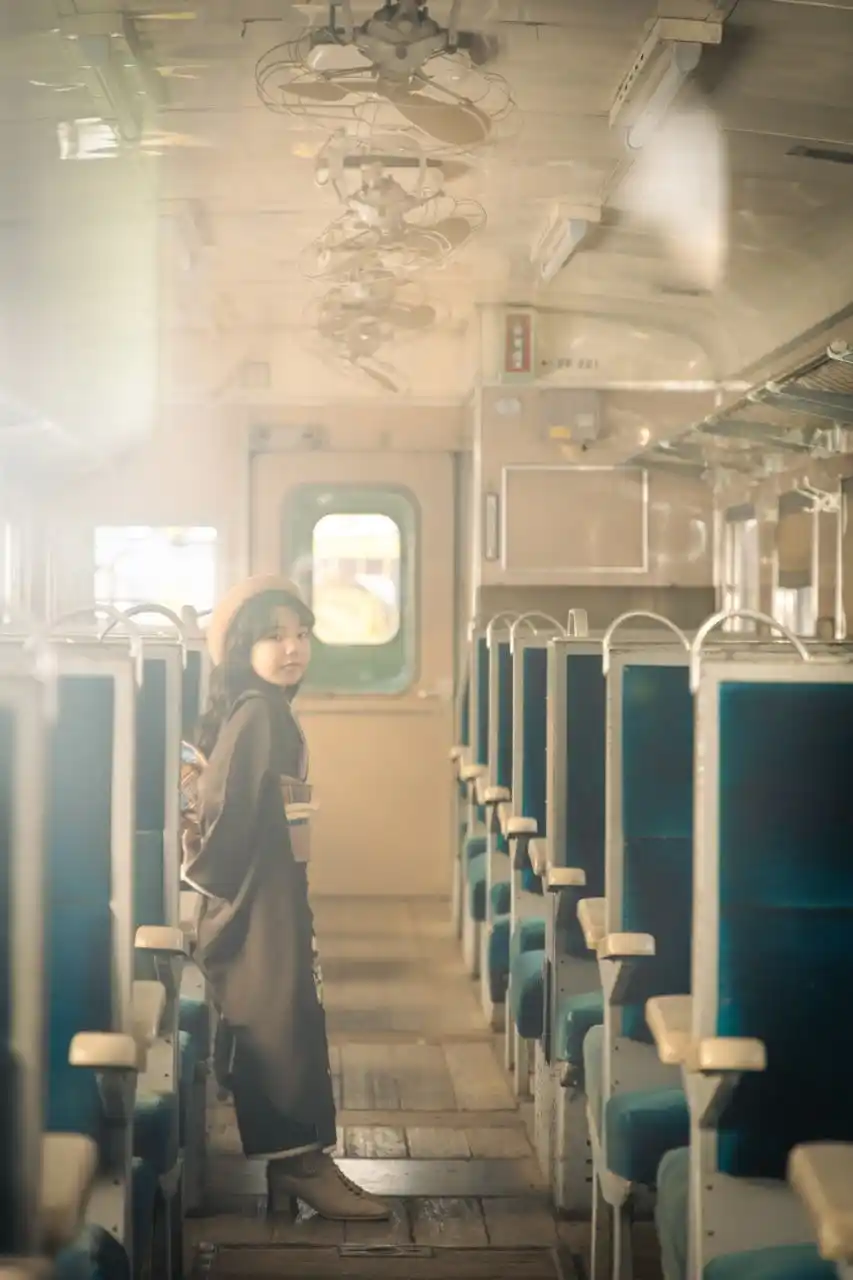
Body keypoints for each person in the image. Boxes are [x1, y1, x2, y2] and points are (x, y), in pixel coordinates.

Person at [183, 575, 388, 1221]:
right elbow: (230, 814)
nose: (292, 647)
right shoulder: (258, 713)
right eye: (274, 636)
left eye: (301, 634)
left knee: (293, 1016)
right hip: (255, 895)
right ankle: (301, 1168)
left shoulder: (264, 708)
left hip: (273, 886)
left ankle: (299, 1166)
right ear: (243, 646)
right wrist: (211, 888)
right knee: (281, 1025)